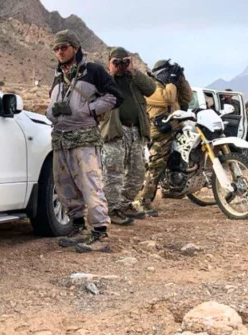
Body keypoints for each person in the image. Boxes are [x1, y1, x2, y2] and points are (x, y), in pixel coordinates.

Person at [46, 30, 123, 253]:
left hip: (84, 137)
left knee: (91, 184)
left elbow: (115, 97)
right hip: (61, 138)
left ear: (76, 48)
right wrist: (51, 114)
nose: (60, 52)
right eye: (56, 48)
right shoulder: (58, 74)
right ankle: (78, 227)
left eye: (64, 47)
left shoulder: (94, 71)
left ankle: (100, 233)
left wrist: (88, 110)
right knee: (64, 185)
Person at [99, 47, 157, 223]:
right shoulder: (105, 80)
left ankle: (125, 204)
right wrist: (111, 73)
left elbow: (151, 89)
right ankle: (112, 209)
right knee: (113, 172)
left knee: (137, 172)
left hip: (136, 131)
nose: (121, 66)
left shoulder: (134, 80)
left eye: (124, 61)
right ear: (109, 63)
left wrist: (134, 71)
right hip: (116, 131)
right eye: (116, 62)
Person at [130, 59, 192, 216]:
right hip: (159, 133)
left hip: (176, 128)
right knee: (157, 166)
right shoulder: (151, 87)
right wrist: (171, 81)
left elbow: (187, 98)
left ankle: (174, 188)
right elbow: (167, 99)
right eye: (168, 72)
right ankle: (144, 201)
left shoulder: (170, 86)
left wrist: (181, 80)